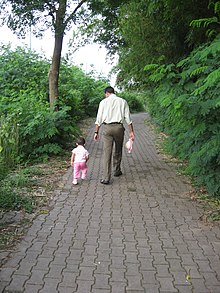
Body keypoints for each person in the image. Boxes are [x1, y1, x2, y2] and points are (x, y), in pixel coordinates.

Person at [94, 86, 134, 184]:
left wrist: (96, 132)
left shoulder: (103, 102)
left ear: (106, 93)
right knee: (118, 149)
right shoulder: (123, 101)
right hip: (119, 128)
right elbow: (128, 118)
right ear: (113, 92)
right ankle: (117, 170)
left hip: (107, 128)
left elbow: (99, 119)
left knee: (107, 152)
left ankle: (106, 177)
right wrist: (131, 132)